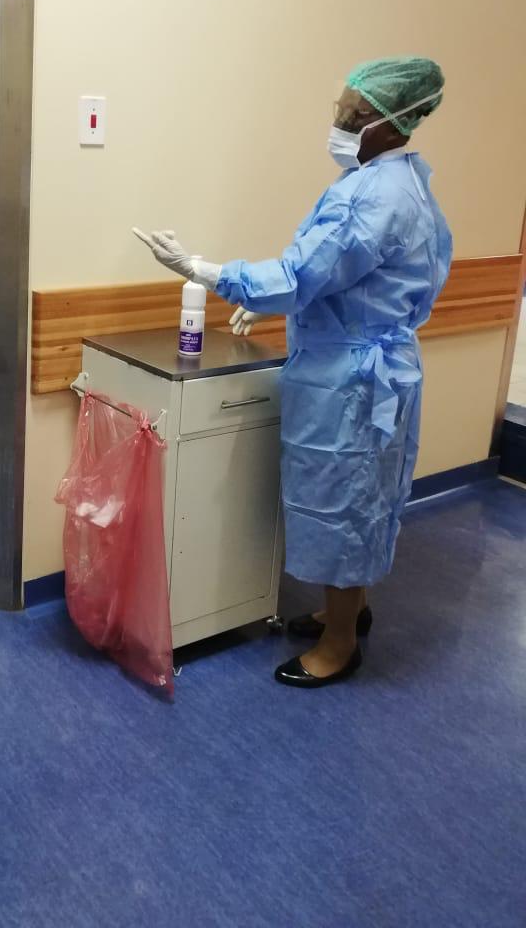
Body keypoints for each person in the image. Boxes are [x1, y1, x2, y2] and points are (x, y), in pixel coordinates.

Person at [135, 56, 453, 688]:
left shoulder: (373, 195)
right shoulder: (406, 181)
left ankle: (339, 644)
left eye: (355, 115)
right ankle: (350, 611)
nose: (341, 124)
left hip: (352, 380)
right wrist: (289, 305)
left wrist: (207, 271)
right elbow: (367, 277)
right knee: (361, 497)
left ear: (394, 123)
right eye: (342, 110)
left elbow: (302, 273)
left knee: (342, 503)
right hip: (370, 363)